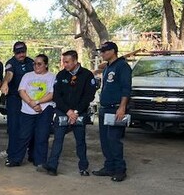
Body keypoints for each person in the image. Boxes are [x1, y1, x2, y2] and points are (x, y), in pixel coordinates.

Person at [43, 50, 97, 176]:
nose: (64, 64)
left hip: (80, 113)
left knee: (80, 141)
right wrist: (68, 112)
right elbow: (57, 95)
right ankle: (52, 166)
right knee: (58, 139)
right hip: (63, 112)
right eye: (63, 62)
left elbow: (88, 96)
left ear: (75, 61)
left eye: (67, 62)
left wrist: (76, 112)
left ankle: (83, 167)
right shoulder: (61, 75)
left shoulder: (87, 75)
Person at [8, 54, 55, 168]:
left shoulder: (52, 77)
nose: (36, 66)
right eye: (34, 63)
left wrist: (38, 102)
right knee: (23, 135)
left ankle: (39, 161)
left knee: (42, 136)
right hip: (27, 109)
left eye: (39, 64)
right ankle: (16, 159)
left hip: (44, 109)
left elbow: (52, 94)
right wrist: (31, 103)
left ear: (46, 65)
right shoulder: (27, 76)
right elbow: (22, 91)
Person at [93, 41, 132, 182]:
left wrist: (122, 107)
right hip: (105, 108)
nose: (102, 54)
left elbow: (126, 89)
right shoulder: (108, 67)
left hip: (116, 108)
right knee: (104, 140)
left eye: (104, 51)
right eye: (101, 51)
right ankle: (109, 167)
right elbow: (100, 67)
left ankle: (120, 169)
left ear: (112, 51)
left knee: (113, 139)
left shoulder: (122, 66)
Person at [1, 41, 34, 166]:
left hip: (30, 98)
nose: (21, 55)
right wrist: (5, 83)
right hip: (15, 99)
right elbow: (9, 74)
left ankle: (32, 154)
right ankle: (13, 155)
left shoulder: (31, 62)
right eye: (18, 53)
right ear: (14, 53)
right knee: (14, 127)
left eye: (23, 52)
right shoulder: (11, 63)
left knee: (30, 126)